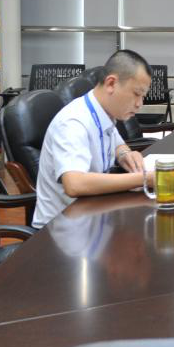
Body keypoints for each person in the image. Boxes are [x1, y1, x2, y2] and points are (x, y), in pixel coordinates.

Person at [32, 49, 151, 229]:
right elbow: (75, 184)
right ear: (111, 83)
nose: (139, 104)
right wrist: (144, 179)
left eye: (143, 96)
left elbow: (117, 144)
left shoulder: (103, 111)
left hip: (92, 216)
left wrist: (125, 154)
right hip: (58, 231)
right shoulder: (74, 122)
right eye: (136, 94)